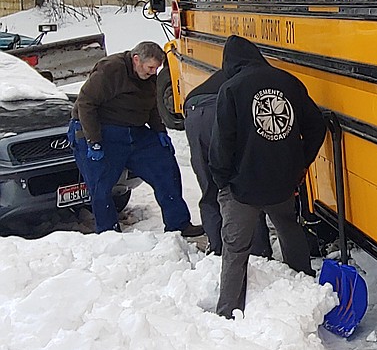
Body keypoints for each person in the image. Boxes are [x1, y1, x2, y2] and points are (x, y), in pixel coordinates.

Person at [210, 36, 327, 318]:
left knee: (236, 249)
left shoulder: (231, 89)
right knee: (289, 228)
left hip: (242, 187)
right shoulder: (289, 82)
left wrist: (222, 179)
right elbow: (317, 125)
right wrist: (300, 163)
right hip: (282, 182)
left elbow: (222, 143)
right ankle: (304, 289)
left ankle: (228, 312)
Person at [68, 41, 203, 236]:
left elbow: (151, 106)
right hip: (98, 128)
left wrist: (160, 132)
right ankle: (109, 234)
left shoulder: (149, 77)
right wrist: (94, 141)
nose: (152, 73)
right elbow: (85, 104)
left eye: (156, 69)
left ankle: (179, 224)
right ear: (136, 60)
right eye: (150, 68)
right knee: (101, 184)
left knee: (165, 168)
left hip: (133, 130)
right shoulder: (111, 70)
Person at [183, 69, 272, 258]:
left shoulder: (226, 72)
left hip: (193, 111)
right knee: (243, 187)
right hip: (219, 109)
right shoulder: (255, 78)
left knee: (209, 187)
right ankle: (257, 252)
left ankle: (216, 247)